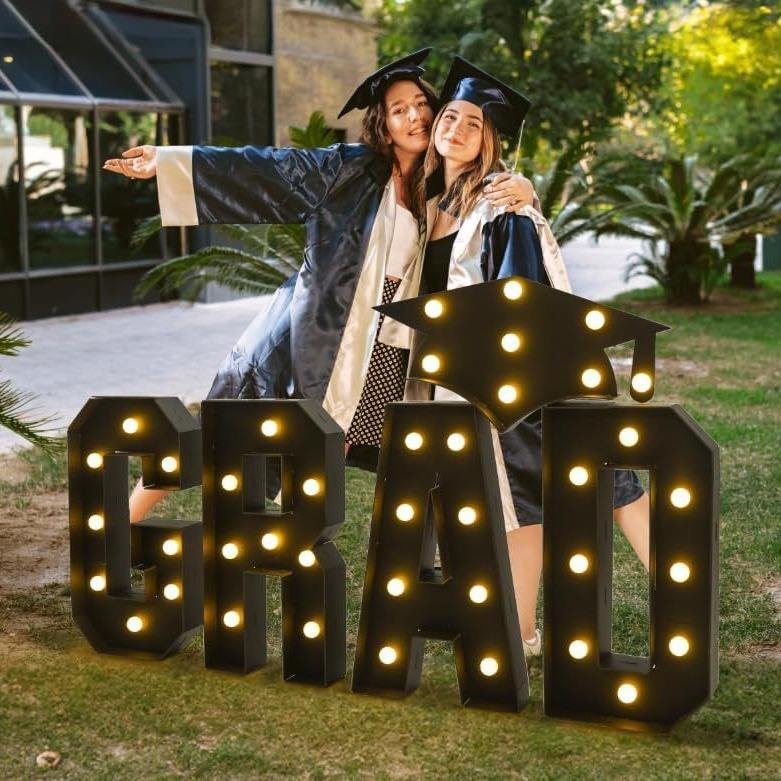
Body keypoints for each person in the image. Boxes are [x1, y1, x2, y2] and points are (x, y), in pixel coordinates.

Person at [102, 50, 537, 521]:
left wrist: (526, 190)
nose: (414, 116)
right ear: (383, 125)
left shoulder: (440, 184)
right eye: (398, 110)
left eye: (420, 104)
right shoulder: (348, 169)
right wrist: (168, 162)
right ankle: (122, 522)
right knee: (223, 429)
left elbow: (487, 197)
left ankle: (293, 541)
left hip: (386, 344)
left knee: (339, 446)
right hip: (317, 330)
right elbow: (268, 168)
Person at [411, 57, 651, 656]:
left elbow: (520, 298)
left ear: (489, 140)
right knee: (528, 502)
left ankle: (684, 591)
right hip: (481, 379)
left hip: (520, 378)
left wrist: (503, 381)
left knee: (595, 486)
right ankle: (523, 632)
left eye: (473, 123)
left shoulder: (501, 203)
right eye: (450, 116)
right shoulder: (431, 203)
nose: (456, 128)